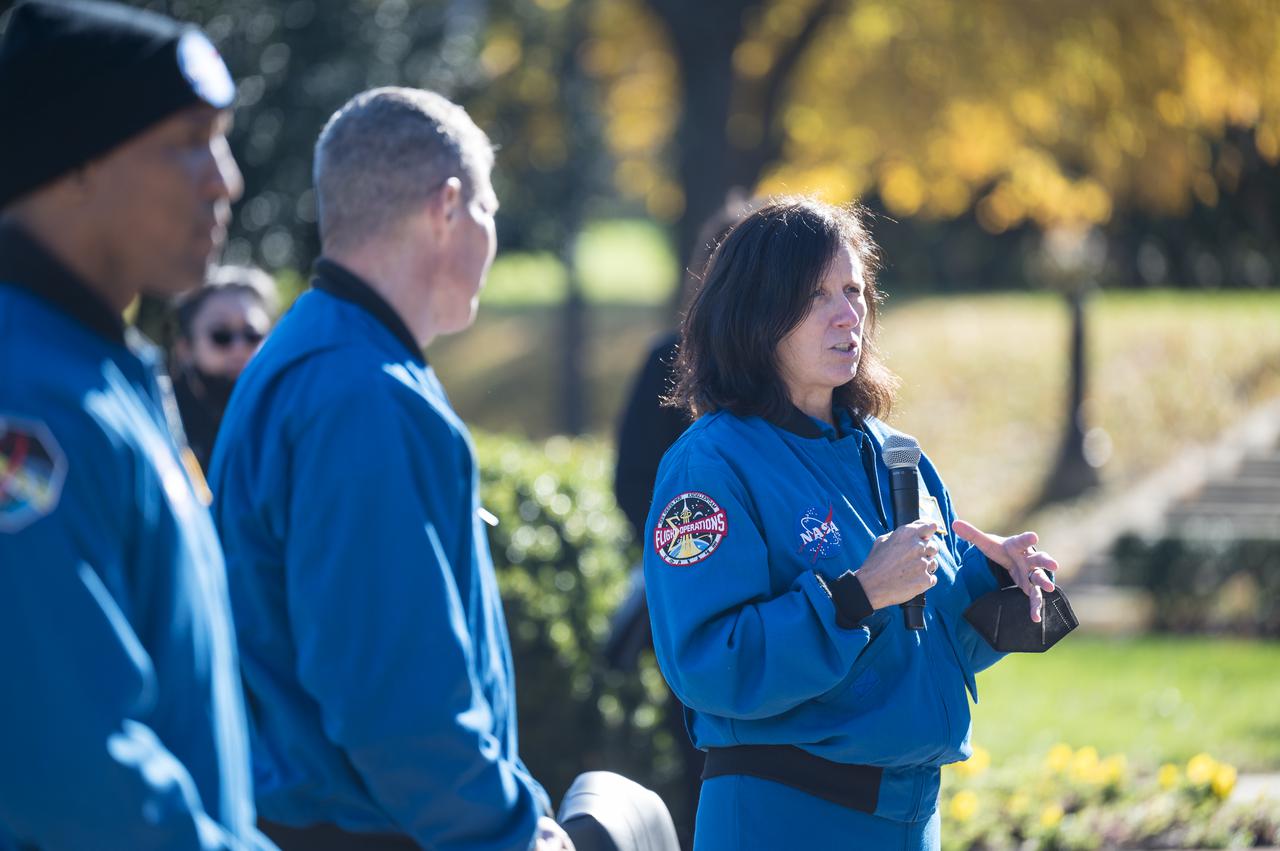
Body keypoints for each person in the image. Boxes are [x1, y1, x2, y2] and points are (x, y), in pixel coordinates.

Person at [209, 87, 575, 851]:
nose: (492, 235)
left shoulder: (320, 353)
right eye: (489, 209)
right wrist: (510, 830)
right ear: (448, 206)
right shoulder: (361, 392)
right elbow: (394, 698)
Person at [642, 198, 1061, 850]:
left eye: (854, 290)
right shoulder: (710, 465)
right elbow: (709, 665)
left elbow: (923, 648)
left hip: (911, 819)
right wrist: (856, 596)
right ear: (755, 311)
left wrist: (996, 581)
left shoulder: (899, 457)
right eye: (815, 296)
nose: (847, 314)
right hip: (785, 818)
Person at [0, 1, 273, 848]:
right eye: (189, 140)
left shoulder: (99, 369)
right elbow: (73, 775)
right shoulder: (25, 399)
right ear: (76, 160)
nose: (224, 180)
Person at [171, 264, 277, 472]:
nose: (239, 349)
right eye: (221, 336)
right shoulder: (161, 422)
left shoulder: (286, 419)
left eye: (252, 335)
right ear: (185, 348)